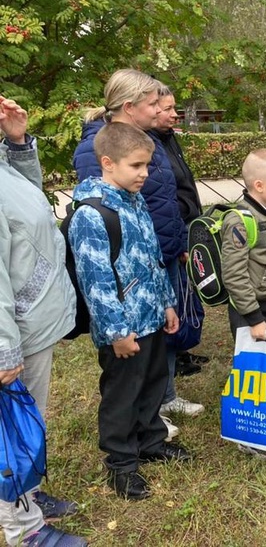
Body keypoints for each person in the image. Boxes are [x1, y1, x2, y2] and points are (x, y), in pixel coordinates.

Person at [72, 69, 202, 439]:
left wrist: (174, 245)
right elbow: (99, 261)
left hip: (154, 267)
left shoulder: (149, 142)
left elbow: (162, 198)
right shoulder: (100, 156)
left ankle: (155, 421)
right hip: (127, 286)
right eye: (152, 104)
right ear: (130, 107)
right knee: (127, 379)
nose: (160, 109)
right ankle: (124, 455)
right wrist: (115, 326)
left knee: (155, 357)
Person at [68, 123, 191, 500]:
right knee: (123, 394)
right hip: (123, 329)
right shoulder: (92, 215)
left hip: (151, 316)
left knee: (153, 382)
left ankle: (150, 441)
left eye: (148, 166)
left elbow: (153, 260)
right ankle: (121, 464)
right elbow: (97, 281)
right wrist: (117, 331)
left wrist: (167, 303)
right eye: (137, 166)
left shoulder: (135, 201)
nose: (144, 174)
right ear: (107, 163)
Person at [0, 97, 86, 546]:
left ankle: (27, 496)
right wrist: (3, 346)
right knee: (10, 433)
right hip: (15, 329)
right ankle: (24, 530)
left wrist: (17, 142)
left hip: (28, 324)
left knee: (27, 423)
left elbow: (31, 206)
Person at [153, 83, 208, 379]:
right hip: (170, 236)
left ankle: (181, 353)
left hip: (182, 228)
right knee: (174, 300)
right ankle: (169, 373)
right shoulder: (148, 143)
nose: (175, 115)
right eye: (168, 109)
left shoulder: (168, 138)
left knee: (184, 297)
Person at [222, 149, 266, 340]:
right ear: (260, 186)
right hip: (252, 311)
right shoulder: (239, 222)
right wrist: (254, 319)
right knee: (254, 366)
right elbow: (233, 274)